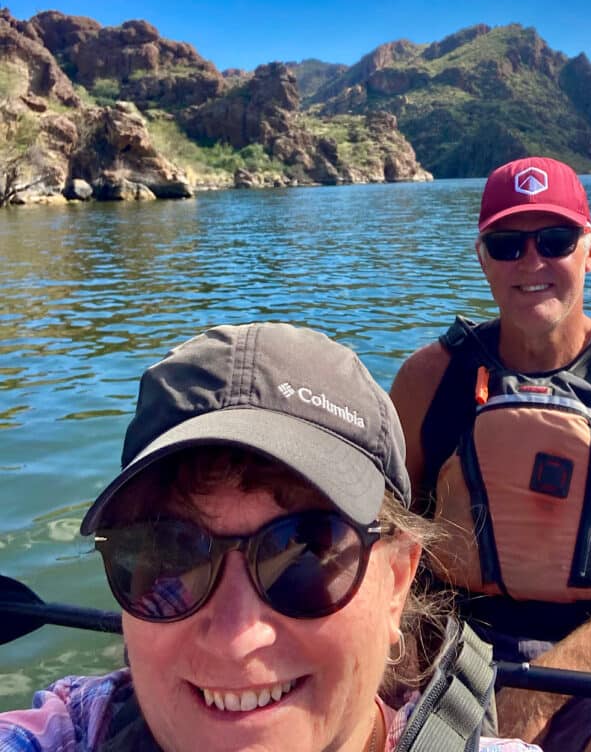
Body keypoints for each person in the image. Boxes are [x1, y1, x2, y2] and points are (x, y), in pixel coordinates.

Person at [0, 321, 542, 752]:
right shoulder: (70, 732)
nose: (237, 639)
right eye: (169, 550)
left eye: (307, 550)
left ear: (397, 582)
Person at [390, 156, 591, 752]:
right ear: (482, 258)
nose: (532, 262)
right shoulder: (427, 380)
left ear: (590, 249)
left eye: (555, 239)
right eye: (507, 244)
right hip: (451, 637)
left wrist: (547, 685)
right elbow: (388, 535)